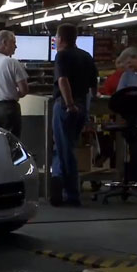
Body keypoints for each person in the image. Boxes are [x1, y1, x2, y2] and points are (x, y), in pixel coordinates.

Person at [50, 23, 98, 207]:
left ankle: (71, 194)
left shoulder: (61, 56)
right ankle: (58, 182)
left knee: (64, 150)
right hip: (82, 106)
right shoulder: (86, 56)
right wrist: (87, 104)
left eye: (55, 37)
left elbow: (62, 80)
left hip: (66, 107)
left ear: (60, 39)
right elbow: (94, 86)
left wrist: (69, 104)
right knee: (66, 146)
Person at [115, 47, 137, 184]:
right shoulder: (126, 76)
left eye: (130, 64)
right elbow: (119, 95)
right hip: (136, 116)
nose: (129, 68)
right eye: (127, 66)